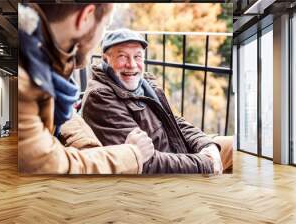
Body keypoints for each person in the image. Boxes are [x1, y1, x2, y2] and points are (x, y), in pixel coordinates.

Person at [18, 4, 154, 174]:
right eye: (105, 26)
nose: (102, 36)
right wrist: (133, 154)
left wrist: (88, 147)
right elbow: (49, 165)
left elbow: (66, 117)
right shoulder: (24, 81)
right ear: (86, 16)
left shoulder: (44, 62)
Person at [82, 28, 233, 174]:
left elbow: (174, 121)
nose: (132, 64)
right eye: (122, 56)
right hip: (168, 172)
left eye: (137, 56)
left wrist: (206, 144)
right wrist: (204, 163)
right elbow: (144, 163)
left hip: (182, 153)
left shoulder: (144, 83)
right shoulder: (100, 97)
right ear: (105, 59)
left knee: (234, 146)